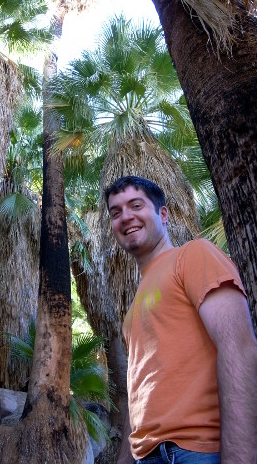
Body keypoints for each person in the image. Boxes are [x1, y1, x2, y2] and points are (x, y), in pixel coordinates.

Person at [104, 175, 257, 464]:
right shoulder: (134, 306)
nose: (126, 217)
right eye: (116, 212)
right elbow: (140, 395)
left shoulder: (193, 255)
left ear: (163, 214)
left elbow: (239, 347)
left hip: (194, 452)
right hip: (146, 456)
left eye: (136, 205)